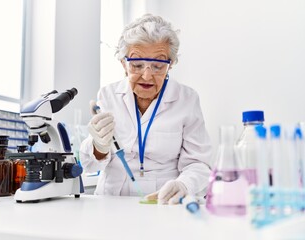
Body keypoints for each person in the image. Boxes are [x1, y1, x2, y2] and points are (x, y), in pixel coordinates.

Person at [80, 13, 212, 204]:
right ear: (123, 64)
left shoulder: (187, 99)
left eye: (158, 66)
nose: (147, 76)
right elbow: (89, 165)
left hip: (163, 202)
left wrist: (184, 185)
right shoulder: (108, 95)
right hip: (111, 201)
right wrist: (98, 147)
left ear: (171, 64)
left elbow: (199, 164)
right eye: (137, 65)